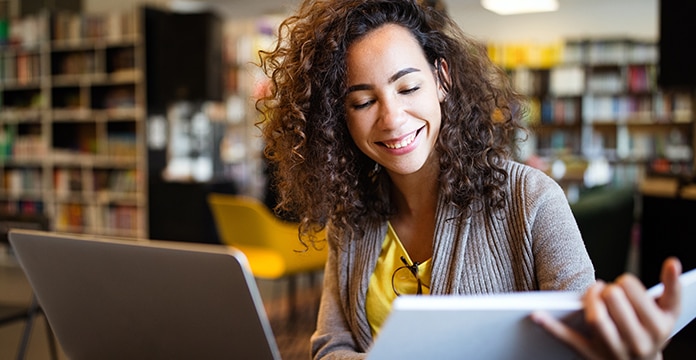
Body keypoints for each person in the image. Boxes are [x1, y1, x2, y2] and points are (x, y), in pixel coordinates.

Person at [256, 0, 683, 359]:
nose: (392, 119)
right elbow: (331, 344)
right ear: (339, 118)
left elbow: (589, 343)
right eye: (364, 101)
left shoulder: (531, 199)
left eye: (407, 88)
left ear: (442, 80)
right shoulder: (350, 219)